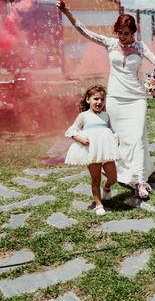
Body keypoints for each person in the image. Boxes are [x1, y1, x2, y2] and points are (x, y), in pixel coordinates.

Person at [59, 1, 155, 200]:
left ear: (133, 32)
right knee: (121, 138)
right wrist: (67, 12)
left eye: (126, 33)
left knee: (137, 137)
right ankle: (122, 172)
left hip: (136, 98)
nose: (123, 37)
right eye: (120, 33)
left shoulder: (140, 47)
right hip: (116, 99)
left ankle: (139, 181)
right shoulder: (110, 44)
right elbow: (84, 31)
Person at [64, 85, 120, 215]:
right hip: (92, 151)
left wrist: (115, 137)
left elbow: (110, 130)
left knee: (113, 177)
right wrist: (80, 139)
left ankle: (107, 187)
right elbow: (71, 130)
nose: (99, 102)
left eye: (101, 99)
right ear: (88, 100)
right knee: (96, 178)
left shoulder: (106, 116)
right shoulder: (83, 116)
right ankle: (99, 205)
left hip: (106, 150)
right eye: (95, 99)